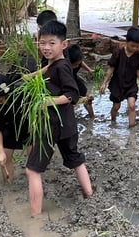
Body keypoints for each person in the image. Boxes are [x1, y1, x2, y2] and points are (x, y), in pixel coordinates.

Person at [26, 20, 92, 215]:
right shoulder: (55, 64)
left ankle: (34, 215)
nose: (46, 47)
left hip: (52, 125)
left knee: (32, 169)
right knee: (74, 159)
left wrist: (45, 102)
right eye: (42, 42)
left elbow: (72, 95)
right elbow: (46, 71)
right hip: (67, 125)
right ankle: (89, 194)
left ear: (64, 44)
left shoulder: (62, 67)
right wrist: (29, 77)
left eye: (51, 43)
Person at [100, 27, 139, 127]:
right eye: (132, 46)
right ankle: (113, 122)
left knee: (132, 105)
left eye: (138, 46)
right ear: (126, 41)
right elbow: (111, 69)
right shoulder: (118, 53)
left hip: (131, 85)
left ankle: (132, 128)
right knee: (116, 106)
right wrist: (104, 83)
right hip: (117, 84)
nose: (135, 49)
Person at [67, 44, 95, 118]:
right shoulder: (64, 66)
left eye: (78, 64)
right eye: (75, 65)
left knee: (85, 94)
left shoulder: (78, 61)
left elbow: (81, 63)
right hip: (67, 81)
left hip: (74, 78)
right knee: (70, 99)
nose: (77, 66)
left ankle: (92, 117)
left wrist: (89, 70)